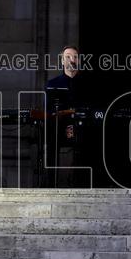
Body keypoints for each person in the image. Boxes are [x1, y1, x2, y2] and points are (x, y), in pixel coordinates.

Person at [44, 45, 90, 187]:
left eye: (75, 57)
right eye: (68, 57)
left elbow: (89, 109)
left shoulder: (87, 84)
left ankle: (86, 183)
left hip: (82, 127)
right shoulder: (52, 84)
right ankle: (52, 184)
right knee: (51, 136)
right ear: (62, 61)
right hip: (60, 127)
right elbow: (50, 111)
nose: (72, 60)